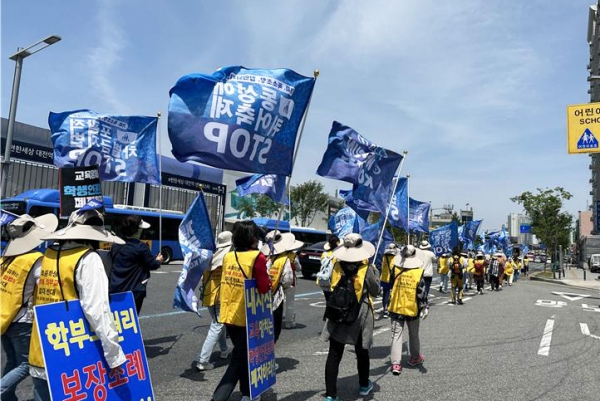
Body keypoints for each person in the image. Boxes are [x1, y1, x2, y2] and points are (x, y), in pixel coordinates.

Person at [29, 207, 126, 401]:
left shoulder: (48, 254)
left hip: (42, 347)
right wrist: (114, 355)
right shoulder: (88, 259)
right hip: (71, 351)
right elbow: (97, 310)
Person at [0, 214, 58, 401]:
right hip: (23, 319)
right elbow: (46, 285)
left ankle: (8, 397)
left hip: (5, 317)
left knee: (13, 360)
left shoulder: (7, 258)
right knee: (26, 363)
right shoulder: (35, 259)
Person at [211, 220, 271, 401]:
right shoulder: (258, 258)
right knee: (240, 358)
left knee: (243, 355)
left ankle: (248, 393)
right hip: (248, 316)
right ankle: (218, 397)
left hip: (229, 313)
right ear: (253, 238)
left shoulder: (229, 256)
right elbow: (263, 287)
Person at [321, 233, 380, 401]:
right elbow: (376, 291)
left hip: (338, 310)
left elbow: (328, 284)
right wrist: (374, 274)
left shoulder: (336, 264)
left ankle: (331, 395)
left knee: (334, 354)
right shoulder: (366, 268)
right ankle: (363, 385)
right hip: (359, 314)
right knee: (362, 351)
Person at [109, 215, 163, 314]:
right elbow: (152, 264)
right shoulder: (141, 247)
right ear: (136, 230)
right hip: (134, 289)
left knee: (115, 316)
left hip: (115, 287)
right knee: (131, 318)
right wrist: (158, 260)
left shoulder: (116, 244)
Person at [195, 231, 233, 371]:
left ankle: (224, 350)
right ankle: (203, 361)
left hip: (209, 295)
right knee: (217, 326)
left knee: (220, 324)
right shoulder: (229, 257)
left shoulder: (209, 257)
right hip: (221, 297)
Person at [388, 245, 428, 376]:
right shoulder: (418, 272)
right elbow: (421, 293)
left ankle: (395, 364)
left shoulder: (395, 269)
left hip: (396, 306)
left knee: (396, 335)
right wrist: (424, 307)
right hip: (412, 307)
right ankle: (415, 358)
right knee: (414, 334)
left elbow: (390, 285)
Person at [260, 230, 298, 344]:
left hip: (262, 296)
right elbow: (287, 280)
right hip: (276, 296)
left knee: (263, 327)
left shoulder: (265, 258)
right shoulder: (284, 259)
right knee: (274, 327)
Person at [282, 236, 304, 330]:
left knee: (277, 302)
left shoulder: (280, 255)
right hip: (291, 281)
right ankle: (288, 322)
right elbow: (299, 268)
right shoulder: (294, 256)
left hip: (280, 281)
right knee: (289, 302)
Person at [316, 235, 340, 303]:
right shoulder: (338, 255)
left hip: (324, 279)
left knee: (328, 300)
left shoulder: (324, 254)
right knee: (334, 303)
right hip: (334, 281)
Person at [379, 243, 398, 318]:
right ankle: (391, 308)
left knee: (385, 294)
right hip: (392, 278)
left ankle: (385, 308)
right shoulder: (395, 257)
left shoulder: (384, 256)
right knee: (393, 293)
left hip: (384, 277)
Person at [416, 240, 436, 305]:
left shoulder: (418, 253)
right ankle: (424, 299)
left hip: (419, 273)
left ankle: (419, 300)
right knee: (427, 287)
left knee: (419, 287)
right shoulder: (431, 253)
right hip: (428, 273)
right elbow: (435, 260)